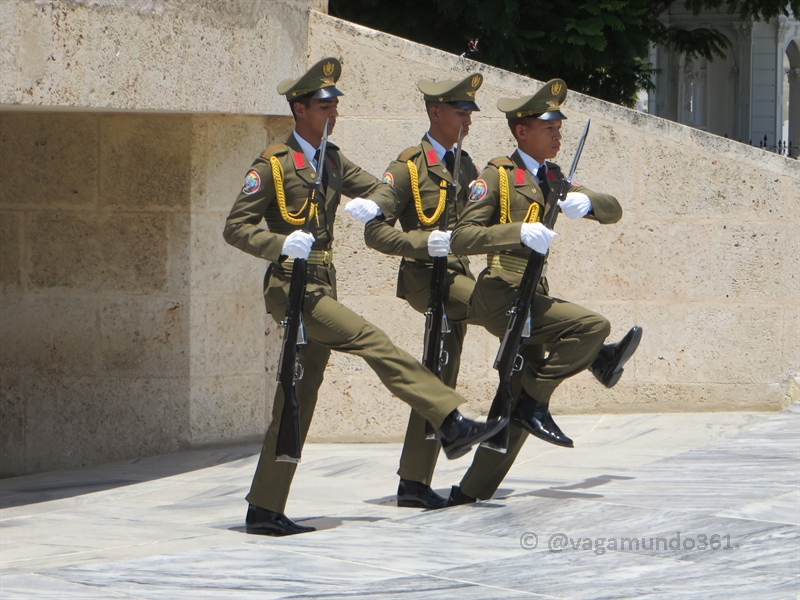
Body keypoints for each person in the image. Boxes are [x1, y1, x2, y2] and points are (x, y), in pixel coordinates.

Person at [223, 58, 506, 536]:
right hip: (292, 288)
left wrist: (372, 202)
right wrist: (276, 244)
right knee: (371, 338)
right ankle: (451, 419)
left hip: (321, 285)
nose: (332, 111)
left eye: (335, 103)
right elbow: (235, 227)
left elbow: (381, 187)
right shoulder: (272, 164)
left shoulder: (331, 160)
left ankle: (264, 508)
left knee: (297, 398)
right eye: (323, 104)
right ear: (299, 109)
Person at [446, 79, 642, 506]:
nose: (558, 134)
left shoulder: (553, 177)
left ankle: (468, 492)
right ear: (521, 132)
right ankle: (586, 368)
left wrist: (586, 204)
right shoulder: (498, 175)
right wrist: (518, 232)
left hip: (531, 298)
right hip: (501, 293)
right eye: (548, 127)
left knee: (516, 405)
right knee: (593, 326)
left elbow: (614, 209)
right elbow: (461, 237)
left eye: (558, 126)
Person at [344, 73, 483, 509]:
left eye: (470, 114)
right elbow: (375, 233)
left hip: (458, 276)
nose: (468, 122)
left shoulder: (466, 165)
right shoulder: (408, 166)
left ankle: (414, 481)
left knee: (438, 378)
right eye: (461, 113)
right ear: (435, 112)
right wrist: (423, 244)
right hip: (428, 279)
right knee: (492, 311)